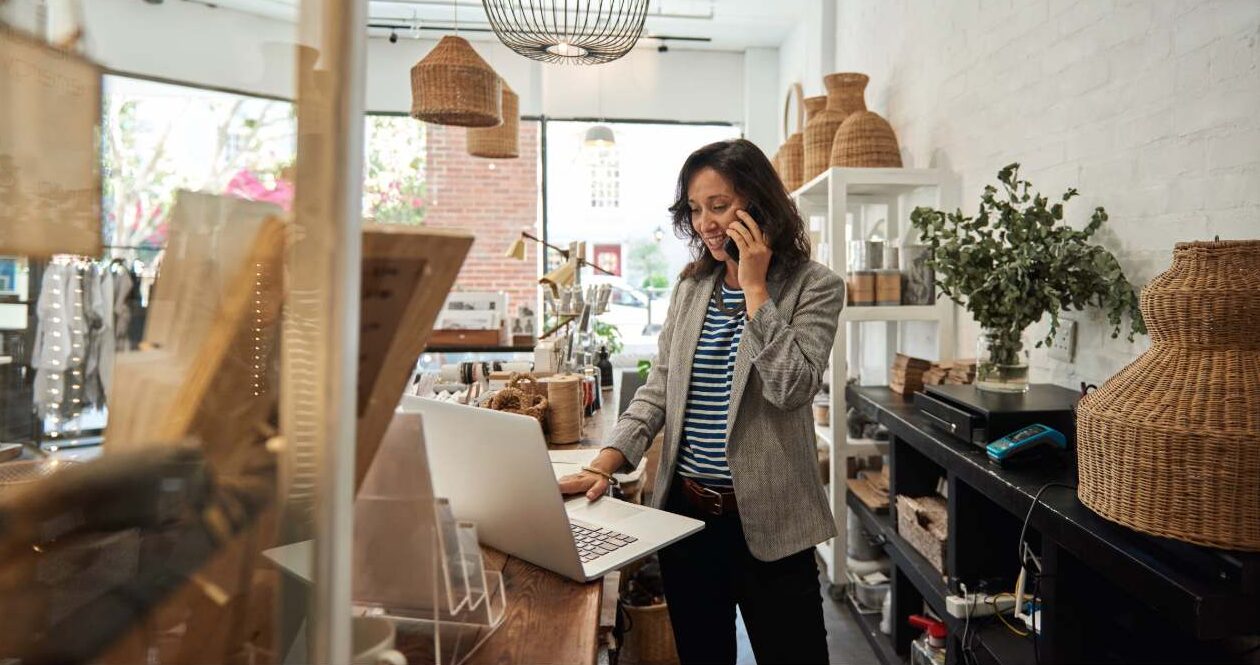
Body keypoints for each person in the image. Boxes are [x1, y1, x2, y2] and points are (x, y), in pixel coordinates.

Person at [559, 138, 845, 664]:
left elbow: (793, 387)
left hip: (774, 524)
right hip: (687, 522)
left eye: (719, 205)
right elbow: (658, 389)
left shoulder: (815, 286)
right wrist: (607, 461)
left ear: (759, 205)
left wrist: (755, 291)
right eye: (695, 209)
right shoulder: (691, 289)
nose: (706, 223)